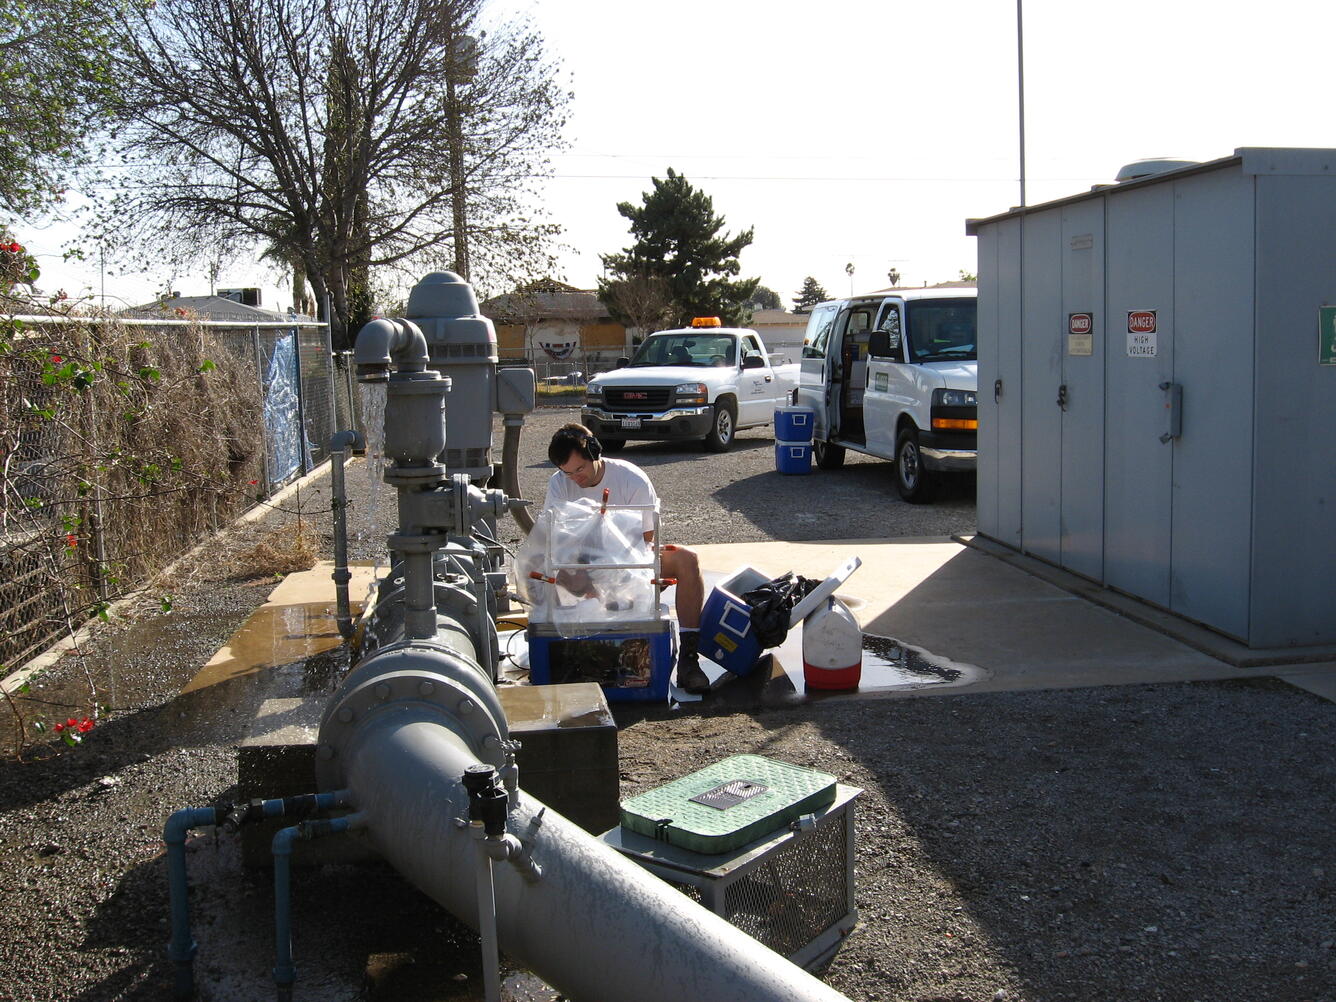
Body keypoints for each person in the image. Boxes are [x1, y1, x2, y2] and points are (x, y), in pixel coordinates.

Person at [543, 423, 710, 694]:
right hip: (584, 563)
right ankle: (568, 652)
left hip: (633, 558)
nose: (575, 478)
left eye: (580, 469)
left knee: (687, 560)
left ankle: (690, 660)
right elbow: (558, 539)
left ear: (594, 454)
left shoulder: (631, 478)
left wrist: (637, 575)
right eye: (567, 473)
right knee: (548, 570)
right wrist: (580, 571)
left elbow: (648, 538)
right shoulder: (558, 484)